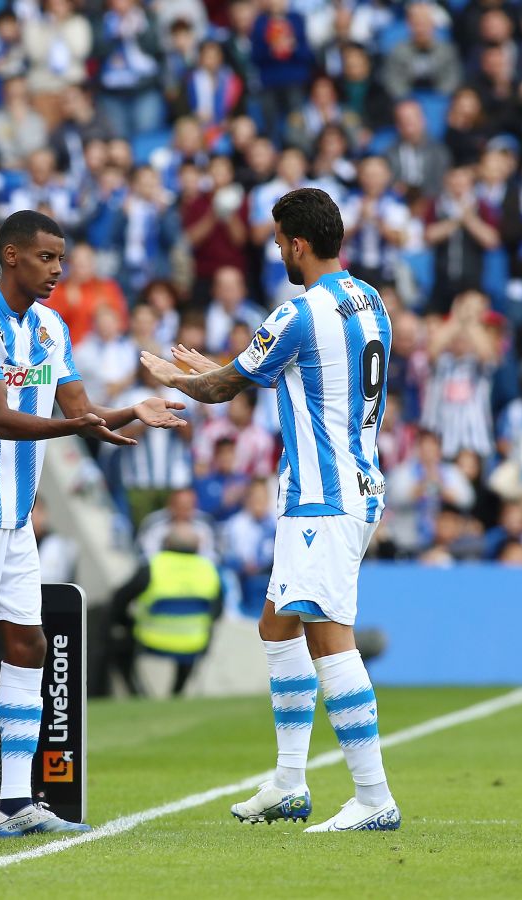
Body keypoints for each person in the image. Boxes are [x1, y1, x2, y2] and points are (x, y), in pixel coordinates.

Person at [0, 209, 185, 842]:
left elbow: (79, 409)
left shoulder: (51, 328)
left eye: (62, 258)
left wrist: (131, 409)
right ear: (11, 255)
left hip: (14, 516)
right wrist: (74, 426)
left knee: (28, 645)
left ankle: (18, 799)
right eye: (47, 257)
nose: (57, 270)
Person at [141, 186, 400, 833]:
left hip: (323, 497)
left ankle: (373, 797)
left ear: (298, 244)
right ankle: (288, 782)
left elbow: (226, 387)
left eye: (279, 239)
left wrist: (182, 380)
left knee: (327, 636)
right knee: (275, 626)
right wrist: (221, 370)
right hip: (350, 485)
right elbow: (258, 374)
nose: (275, 250)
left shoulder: (297, 313)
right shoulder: (370, 303)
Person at [110, 524, 223, 697]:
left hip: (150, 639)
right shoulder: (209, 570)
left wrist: (126, 622)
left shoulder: (153, 566)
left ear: (166, 543)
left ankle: (137, 694)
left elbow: (119, 599)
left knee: (117, 640)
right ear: (198, 546)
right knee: (195, 643)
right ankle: (177, 693)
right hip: (194, 642)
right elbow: (217, 612)